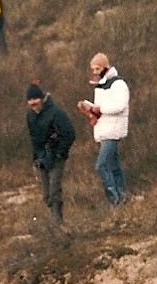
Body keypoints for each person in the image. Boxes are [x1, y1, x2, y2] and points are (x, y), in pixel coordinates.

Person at [77, 52, 130, 206]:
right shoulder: (100, 85)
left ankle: (114, 199)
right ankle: (122, 197)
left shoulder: (118, 84)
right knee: (114, 166)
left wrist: (97, 109)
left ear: (106, 66)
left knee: (101, 165)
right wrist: (89, 109)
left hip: (112, 130)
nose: (94, 72)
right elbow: (101, 109)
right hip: (104, 129)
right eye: (93, 69)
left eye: (97, 68)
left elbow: (119, 106)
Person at [25, 80, 75, 224]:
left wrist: (60, 152)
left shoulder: (56, 113)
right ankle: (55, 220)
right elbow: (33, 139)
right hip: (42, 158)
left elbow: (69, 133)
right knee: (46, 195)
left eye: (35, 98)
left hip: (56, 157)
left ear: (42, 98)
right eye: (30, 100)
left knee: (54, 190)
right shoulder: (30, 116)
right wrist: (36, 159)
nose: (33, 102)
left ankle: (58, 222)